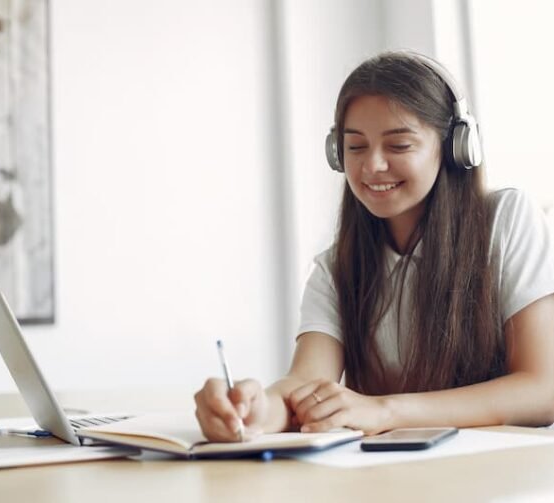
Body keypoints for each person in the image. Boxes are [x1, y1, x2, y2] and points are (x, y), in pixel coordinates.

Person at [194, 51, 554, 441]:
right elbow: (304, 385)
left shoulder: (506, 219)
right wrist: (255, 410)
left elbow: (542, 389)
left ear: (455, 148)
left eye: (398, 146)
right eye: (355, 147)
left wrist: (385, 410)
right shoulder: (338, 267)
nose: (372, 167)